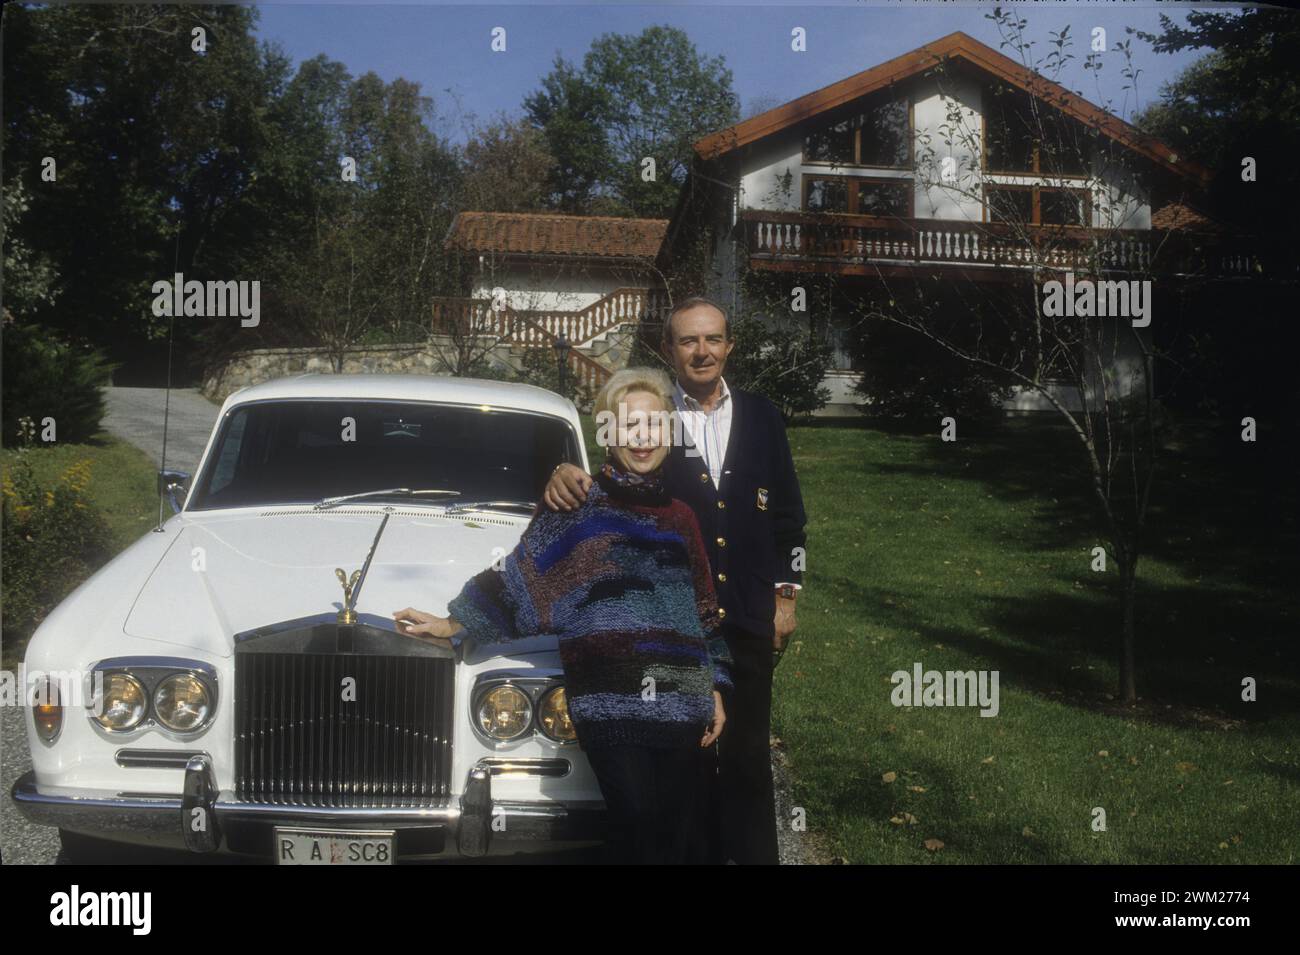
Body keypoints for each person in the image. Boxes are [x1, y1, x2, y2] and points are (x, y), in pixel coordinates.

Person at [392, 366, 732, 865]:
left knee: (676, 832)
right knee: (634, 818)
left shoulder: (682, 517)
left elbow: (704, 610)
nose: (643, 438)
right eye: (628, 426)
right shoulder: (575, 506)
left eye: (654, 425)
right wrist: (454, 623)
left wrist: (718, 686)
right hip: (607, 702)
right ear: (609, 435)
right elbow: (520, 582)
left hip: (682, 700)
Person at [542, 297, 808, 865]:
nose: (702, 351)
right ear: (670, 350)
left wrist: (785, 597)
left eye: (712, 339)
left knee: (746, 753)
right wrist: (570, 473)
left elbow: (788, 515)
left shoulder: (762, 416)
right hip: (676, 620)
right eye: (688, 341)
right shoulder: (658, 416)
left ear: (729, 345)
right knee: (687, 752)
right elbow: (621, 477)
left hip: (748, 609)